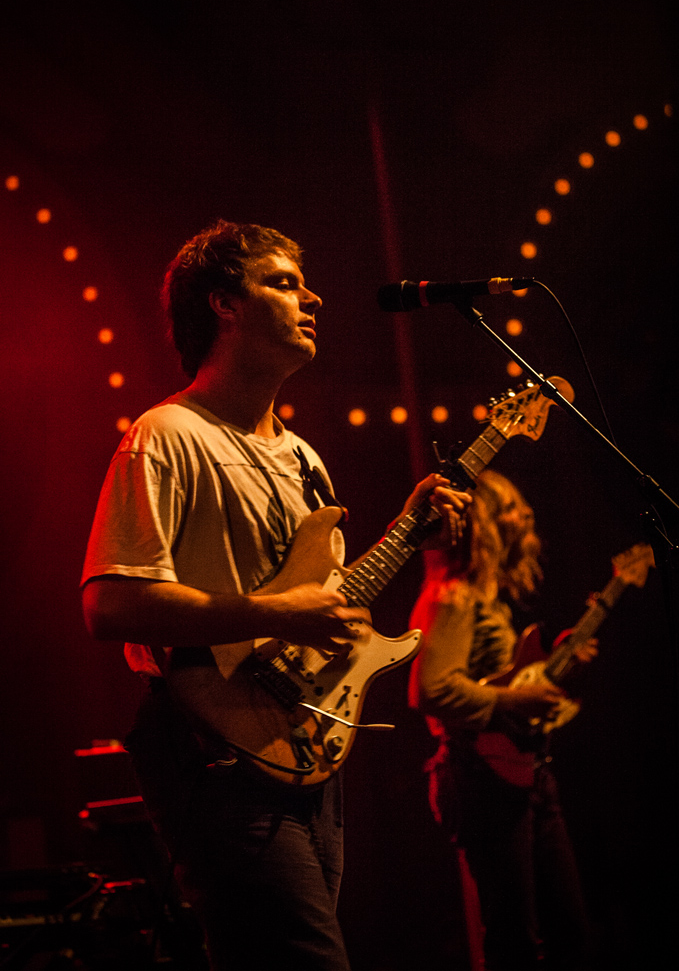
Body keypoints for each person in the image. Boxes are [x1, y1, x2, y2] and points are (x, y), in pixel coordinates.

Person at [81, 219, 469, 971]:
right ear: (224, 303)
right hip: (213, 753)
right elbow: (109, 604)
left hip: (304, 747)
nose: (312, 296)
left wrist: (404, 535)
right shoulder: (168, 434)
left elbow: (321, 611)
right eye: (284, 282)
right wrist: (273, 613)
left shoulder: (302, 458)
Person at [408, 469, 595, 971]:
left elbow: (496, 679)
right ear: (484, 523)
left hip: (523, 771)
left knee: (567, 932)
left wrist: (547, 671)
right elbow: (432, 688)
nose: (526, 515)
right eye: (510, 508)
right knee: (515, 940)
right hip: (481, 776)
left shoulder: (485, 595)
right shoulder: (454, 595)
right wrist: (516, 702)